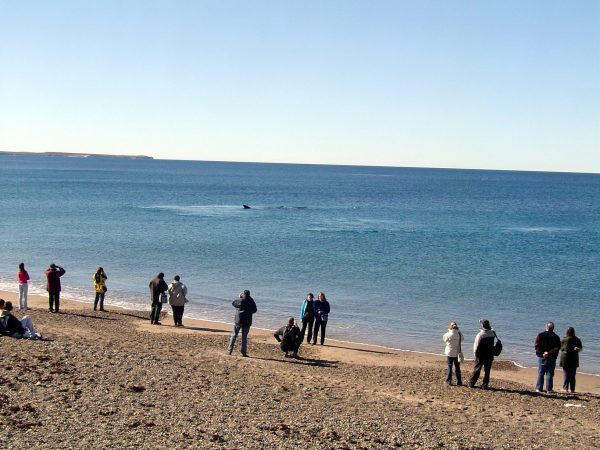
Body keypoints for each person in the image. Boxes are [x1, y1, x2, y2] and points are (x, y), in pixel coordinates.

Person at [227, 290, 257, 357]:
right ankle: (243, 352)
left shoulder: (241, 300)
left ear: (243, 294)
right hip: (247, 321)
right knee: (244, 337)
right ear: (249, 295)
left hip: (239, 320)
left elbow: (233, 303)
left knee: (234, 335)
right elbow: (255, 310)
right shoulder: (251, 301)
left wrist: (239, 297)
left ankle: (229, 350)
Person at [468, 319, 497, 389]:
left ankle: (471, 383)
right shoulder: (492, 333)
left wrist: (475, 354)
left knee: (477, 369)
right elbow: (492, 331)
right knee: (487, 371)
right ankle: (485, 385)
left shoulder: (480, 335)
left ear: (482, 326)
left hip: (481, 355)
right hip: (490, 354)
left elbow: (476, 345)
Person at [534, 321, 561, 394]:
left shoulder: (540, 335)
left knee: (541, 372)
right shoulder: (556, 337)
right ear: (553, 328)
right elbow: (557, 348)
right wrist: (548, 353)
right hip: (551, 357)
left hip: (542, 357)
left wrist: (543, 353)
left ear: (546, 327)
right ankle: (549, 389)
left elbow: (536, 346)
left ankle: (539, 388)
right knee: (549, 374)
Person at [560, 327, 583, 395]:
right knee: (572, 375)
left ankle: (565, 388)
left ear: (567, 332)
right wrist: (577, 348)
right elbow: (580, 348)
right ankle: (572, 389)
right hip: (574, 359)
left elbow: (561, 348)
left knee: (566, 374)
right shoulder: (577, 339)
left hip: (565, 359)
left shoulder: (564, 339)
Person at [442, 321, 463, 386]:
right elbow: (462, 339)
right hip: (457, 352)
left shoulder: (447, 334)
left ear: (450, 327)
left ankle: (448, 381)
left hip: (450, 352)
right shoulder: (459, 334)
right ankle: (459, 382)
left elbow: (444, 339)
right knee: (457, 367)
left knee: (449, 367)